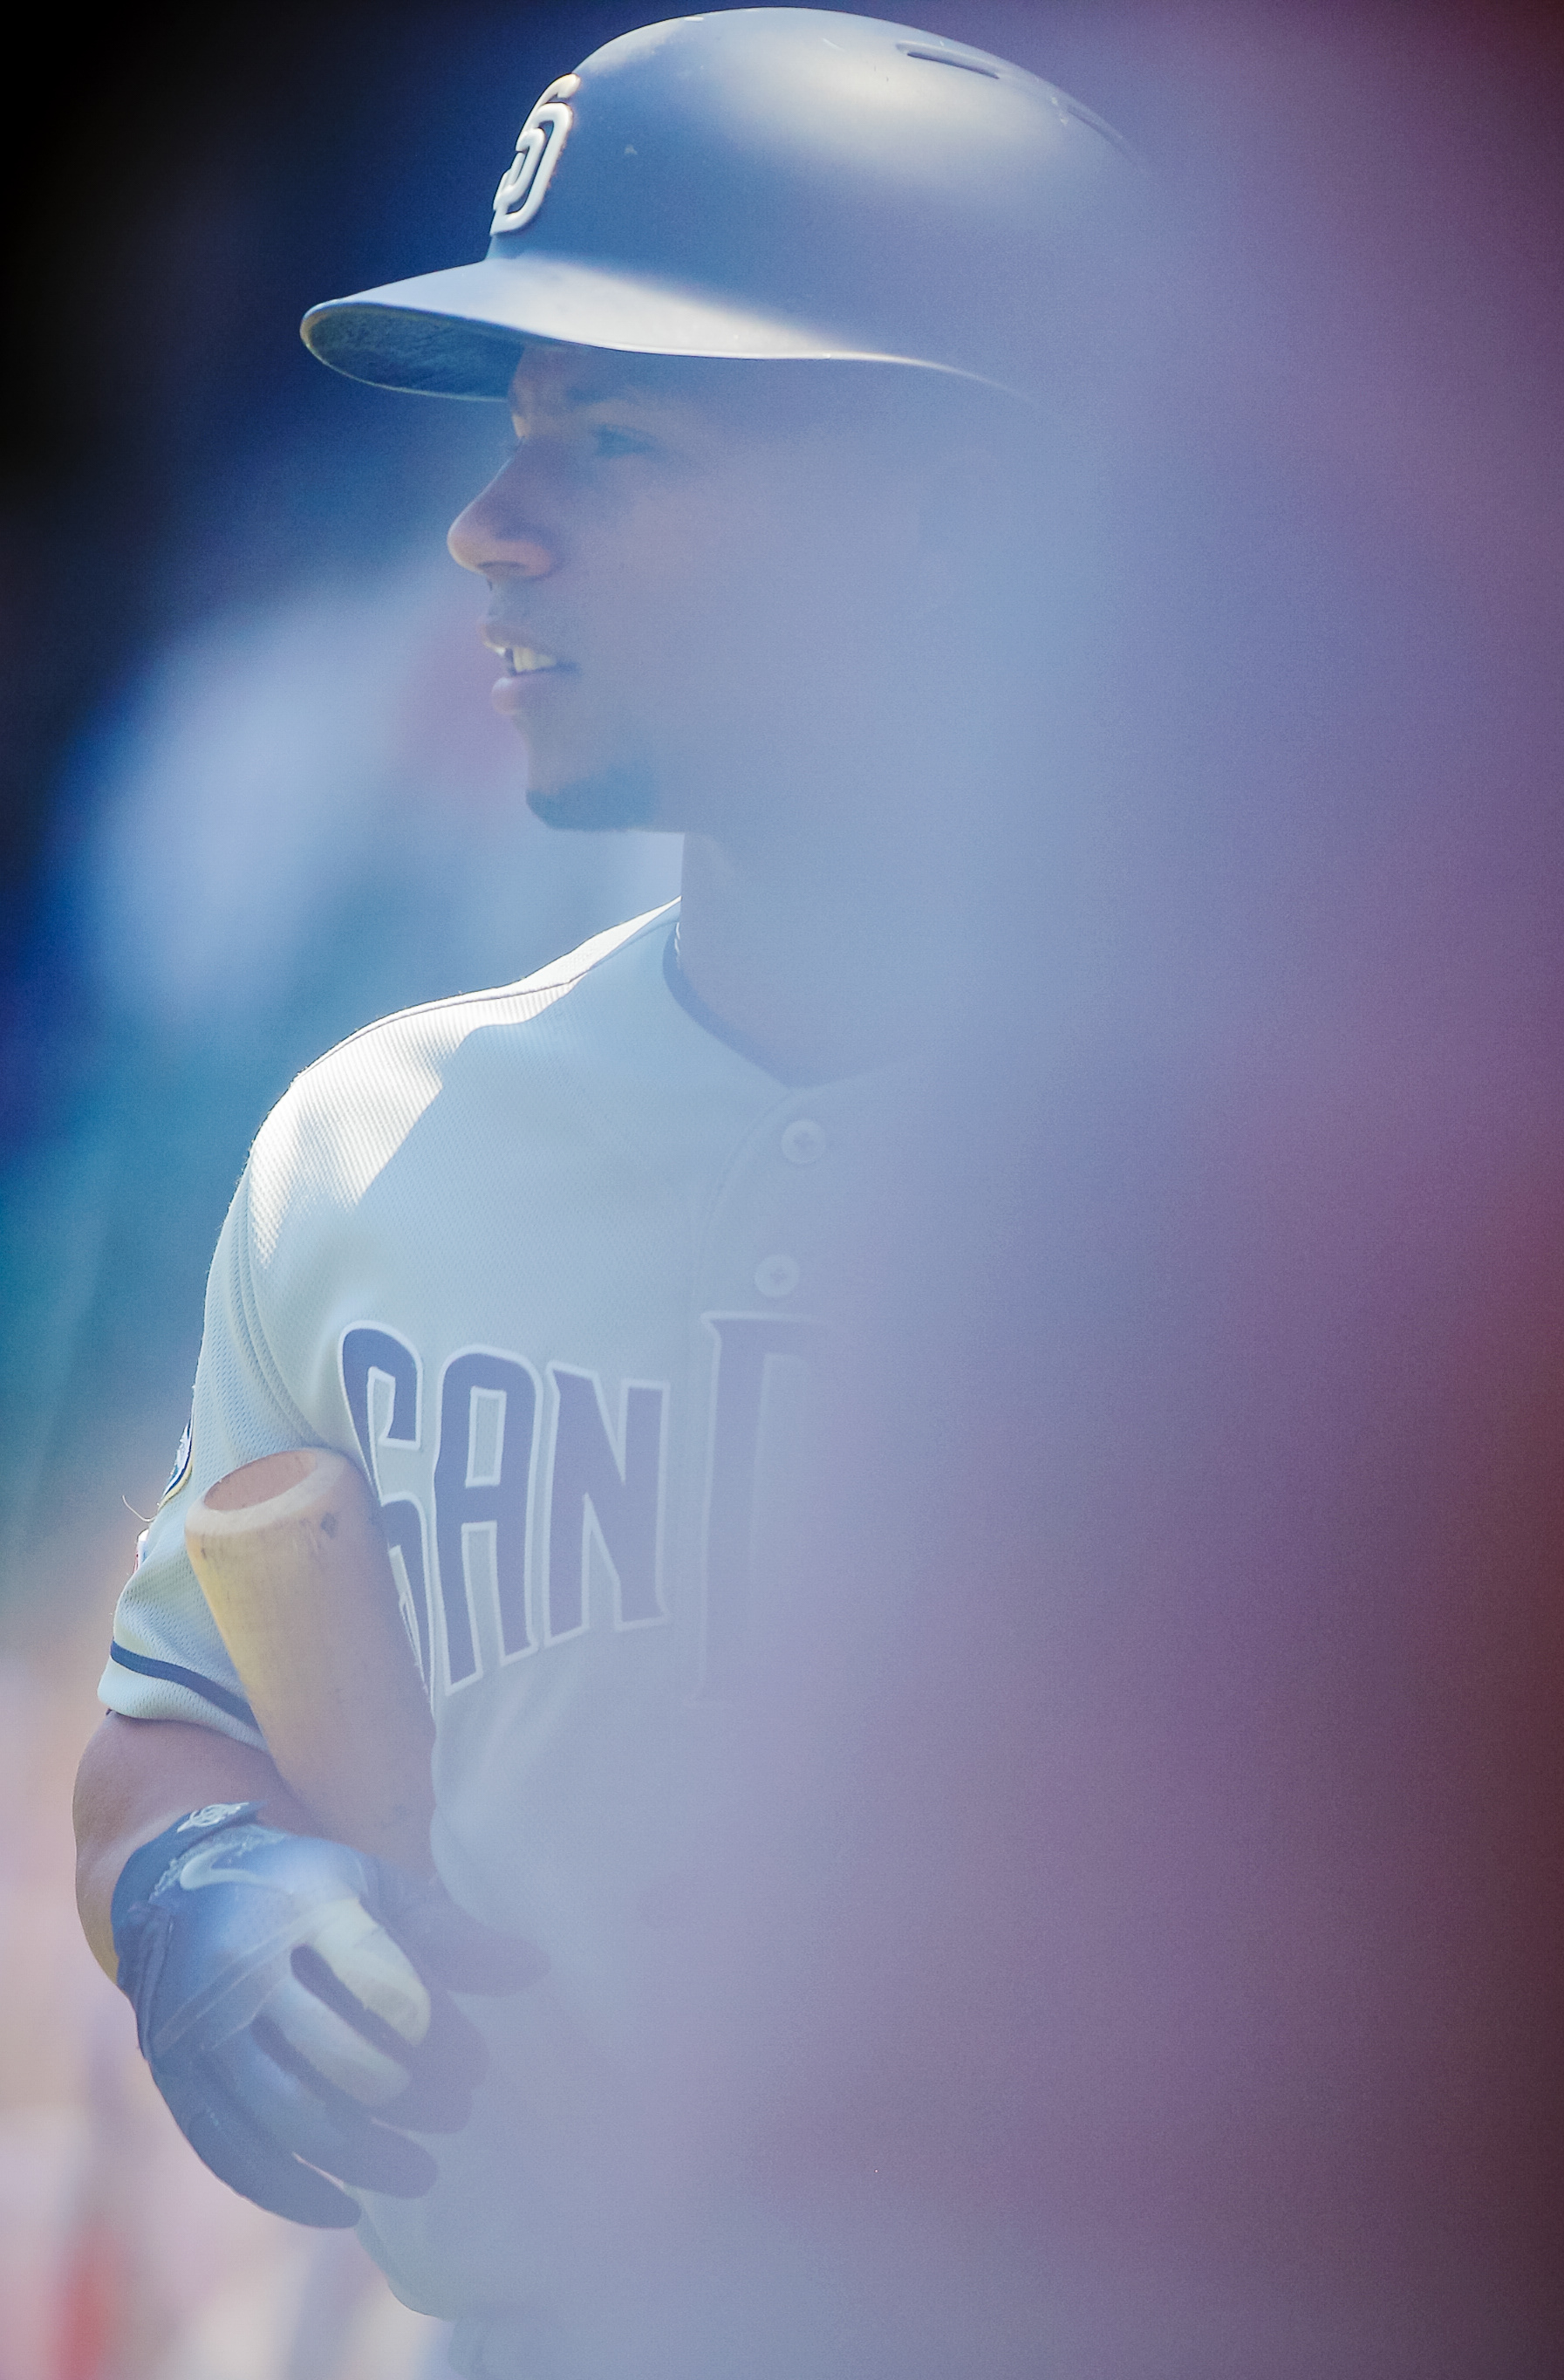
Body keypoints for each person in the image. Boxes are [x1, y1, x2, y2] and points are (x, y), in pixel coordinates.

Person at [73, 14, 1146, 2376]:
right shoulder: (380, 1140)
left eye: (617, 438)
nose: (490, 523)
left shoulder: (1290, 1216)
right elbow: (165, 1720)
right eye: (511, 435)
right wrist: (200, 1882)